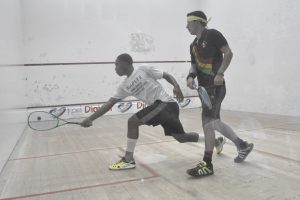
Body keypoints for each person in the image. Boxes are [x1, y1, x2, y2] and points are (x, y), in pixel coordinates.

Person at [80, 53, 225, 170]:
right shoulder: (123, 86)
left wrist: (176, 86)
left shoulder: (142, 69)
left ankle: (128, 159)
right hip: (163, 108)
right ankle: (216, 140)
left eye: (117, 64)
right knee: (181, 137)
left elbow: (166, 75)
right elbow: (109, 103)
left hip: (166, 104)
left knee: (132, 122)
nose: (115, 67)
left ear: (126, 63)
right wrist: (91, 118)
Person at [185, 11, 254, 177]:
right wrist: (190, 76)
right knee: (213, 122)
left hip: (216, 87)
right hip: (204, 89)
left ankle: (207, 164)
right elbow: (194, 65)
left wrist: (220, 73)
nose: (186, 26)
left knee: (208, 122)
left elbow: (228, 53)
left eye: (189, 22)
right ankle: (242, 145)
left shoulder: (213, 34)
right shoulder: (193, 44)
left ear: (198, 22)